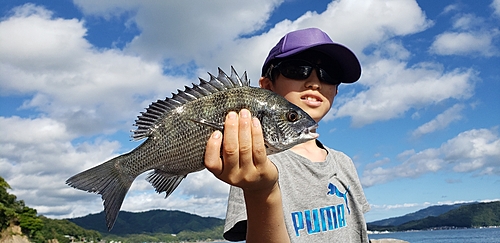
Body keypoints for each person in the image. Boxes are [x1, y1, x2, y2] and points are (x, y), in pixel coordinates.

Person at [204, 27, 370, 242]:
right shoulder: (255, 162)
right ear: (267, 86)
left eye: (329, 73)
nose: (314, 82)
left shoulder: (344, 162)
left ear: (336, 90)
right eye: (297, 69)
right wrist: (261, 191)